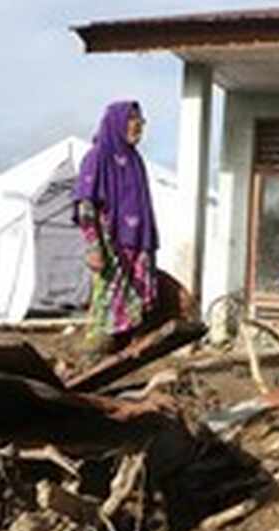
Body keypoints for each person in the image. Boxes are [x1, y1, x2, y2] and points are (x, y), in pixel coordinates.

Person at [73, 101, 162, 356]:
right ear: (117, 123)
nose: (139, 127)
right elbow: (86, 204)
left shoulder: (135, 161)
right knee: (108, 303)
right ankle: (93, 354)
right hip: (110, 244)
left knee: (136, 306)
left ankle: (122, 354)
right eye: (133, 121)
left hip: (138, 245)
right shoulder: (97, 157)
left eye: (141, 122)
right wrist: (93, 247)